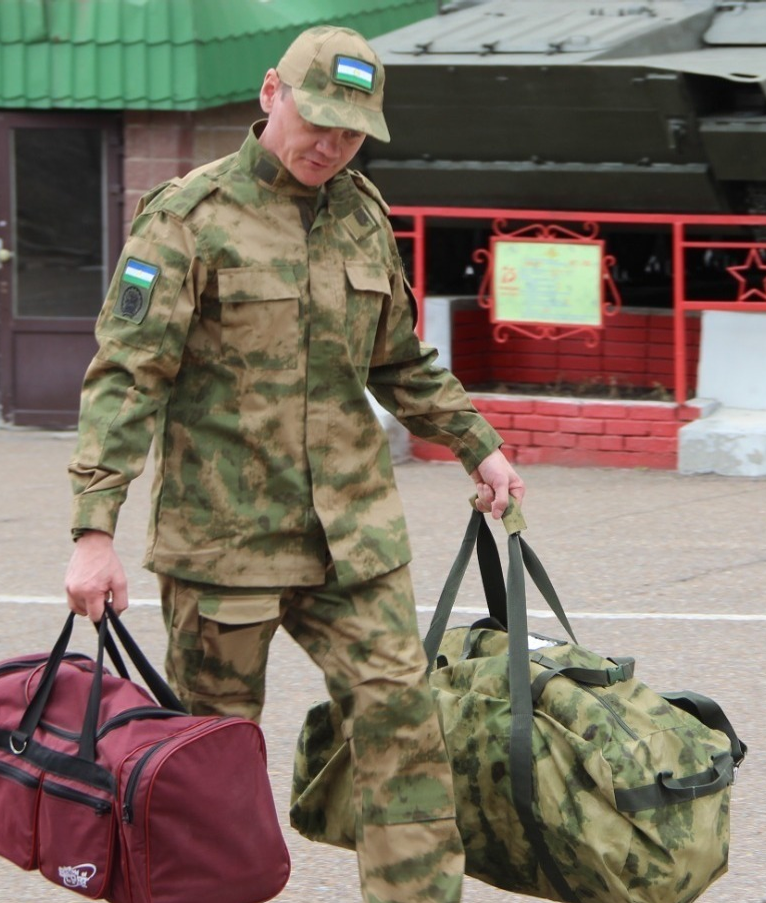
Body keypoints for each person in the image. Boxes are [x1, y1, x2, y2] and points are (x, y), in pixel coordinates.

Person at [62, 25, 522, 903]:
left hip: (354, 539)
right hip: (225, 543)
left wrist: (478, 440)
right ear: (272, 92)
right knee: (207, 768)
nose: (331, 145)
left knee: (405, 728)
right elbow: (127, 378)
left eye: (352, 132)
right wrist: (94, 532)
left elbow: (397, 357)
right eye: (318, 121)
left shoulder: (361, 213)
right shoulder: (187, 218)